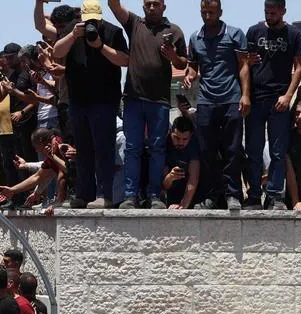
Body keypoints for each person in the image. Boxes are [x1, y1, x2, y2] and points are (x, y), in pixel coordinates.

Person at [106, 0, 187, 209]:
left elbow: (183, 64)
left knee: (157, 149)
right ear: (143, 7)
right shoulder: (134, 23)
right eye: (148, 4)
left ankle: (154, 195)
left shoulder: (174, 30)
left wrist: (171, 55)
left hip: (159, 101)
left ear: (164, 7)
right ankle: (130, 195)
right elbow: (115, 7)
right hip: (133, 98)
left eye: (156, 4)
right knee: (132, 148)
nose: (152, 7)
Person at [53, 0, 128, 209]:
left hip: (104, 101)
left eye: (94, 21)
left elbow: (124, 60)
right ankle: (84, 194)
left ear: (101, 17)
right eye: (87, 21)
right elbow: (57, 53)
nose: (90, 25)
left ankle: (105, 195)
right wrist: (72, 35)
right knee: (83, 149)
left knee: (104, 149)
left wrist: (101, 46)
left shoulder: (113, 32)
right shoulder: (72, 31)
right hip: (78, 101)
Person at [184, 0, 250, 211]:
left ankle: (233, 194)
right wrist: (189, 76)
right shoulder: (195, 38)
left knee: (232, 150)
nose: (208, 16)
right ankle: (211, 195)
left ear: (220, 12)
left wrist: (245, 95)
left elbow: (243, 66)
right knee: (207, 151)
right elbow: (193, 67)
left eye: (211, 12)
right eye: (204, 12)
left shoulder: (235, 34)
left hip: (231, 98)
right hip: (205, 101)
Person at [243, 0, 301, 209]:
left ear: (283, 11)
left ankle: (275, 195)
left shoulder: (293, 34)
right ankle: (253, 195)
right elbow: (244, 65)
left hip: (279, 98)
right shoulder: (253, 31)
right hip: (257, 97)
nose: (270, 16)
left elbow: (298, 67)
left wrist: (288, 95)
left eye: (273, 12)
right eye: (267, 12)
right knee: (253, 149)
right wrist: (246, 95)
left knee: (278, 151)